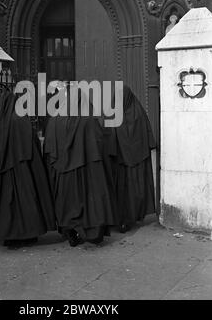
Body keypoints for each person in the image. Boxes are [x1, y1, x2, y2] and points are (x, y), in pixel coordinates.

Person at [0, 89, 56, 247]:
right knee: (23, 203)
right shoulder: (21, 121)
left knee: (0, 204)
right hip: (20, 172)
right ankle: (25, 234)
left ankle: (2, 233)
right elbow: (33, 146)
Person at [44, 84, 115, 246]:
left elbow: (48, 148)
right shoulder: (88, 120)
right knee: (88, 201)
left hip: (63, 173)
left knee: (66, 201)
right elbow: (99, 143)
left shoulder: (54, 120)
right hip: (86, 171)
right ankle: (89, 232)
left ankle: (70, 231)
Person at [109, 85, 156, 232]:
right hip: (137, 161)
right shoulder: (139, 113)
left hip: (121, 162)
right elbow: (147, 136)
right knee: (135, 190)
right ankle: (133, 217)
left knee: (122, 191)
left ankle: (122, 220)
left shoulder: (113, 113)